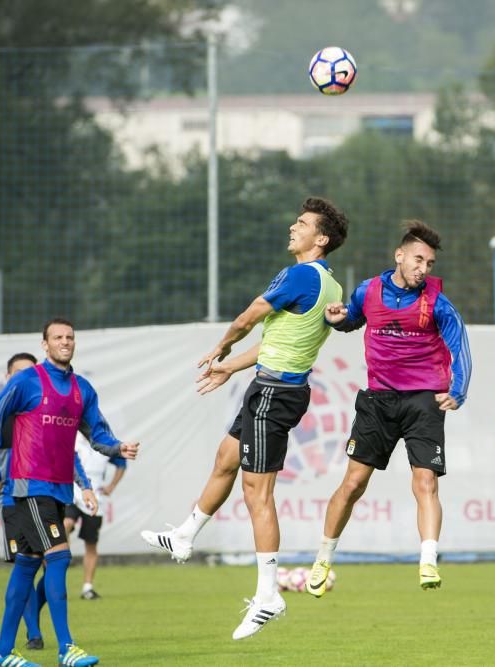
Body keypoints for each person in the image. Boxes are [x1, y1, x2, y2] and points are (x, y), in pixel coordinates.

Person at [140, 197, 349, 640]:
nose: (293, 227)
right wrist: (228, 367)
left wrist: (222, 345)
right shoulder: (330, 285)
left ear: (322, 239)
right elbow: (277, 344)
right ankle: (185, 534)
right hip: (273, 388)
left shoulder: (299, 276)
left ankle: (268, 595)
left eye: (303, 223)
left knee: (258, 492)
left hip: (275, 394)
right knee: (226, 459)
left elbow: (249, 318)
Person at [306, 220, 471, 596]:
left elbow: (461, 348)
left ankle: (428, 560)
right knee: (352, 484)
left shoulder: (437, 302)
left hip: (423, 401)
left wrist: (457, 391)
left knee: (425, 482)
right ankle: (323, 557)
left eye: (429, 264)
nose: (423, 269)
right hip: (378, 401)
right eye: (418, 260)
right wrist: (339, 319)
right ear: (399, 256)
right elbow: (351, 319)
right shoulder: (369, 291)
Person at [0, 319, 139, 667]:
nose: (65, 342)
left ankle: (3, 654)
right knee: (60, 556)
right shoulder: (27, 380)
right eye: (58, 338)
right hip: (29, 487)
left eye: (70, 337)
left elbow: (98, 434)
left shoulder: (82, 389)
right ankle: (67, 648)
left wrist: (117, 447)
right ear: (44, 344)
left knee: (26, 566)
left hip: (59, 490)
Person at [0, 353, 46, 651]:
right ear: (7, 378)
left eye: (31, 373)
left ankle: (32, 620)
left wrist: (82, 486)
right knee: (25, 564)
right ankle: (33, 633)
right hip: (13, 501)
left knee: (54, 566)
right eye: (18, 374)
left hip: (46, 499)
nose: (25, 379)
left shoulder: (42, 413)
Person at [63, 428, 128, 600]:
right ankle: (63, 557)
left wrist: (112, 486)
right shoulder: (72, 438)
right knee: (66, 524)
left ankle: (87, 587)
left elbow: (122, 464)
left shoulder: (103, 442)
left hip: (95, 500)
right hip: (74, 493)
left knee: (91, 545)